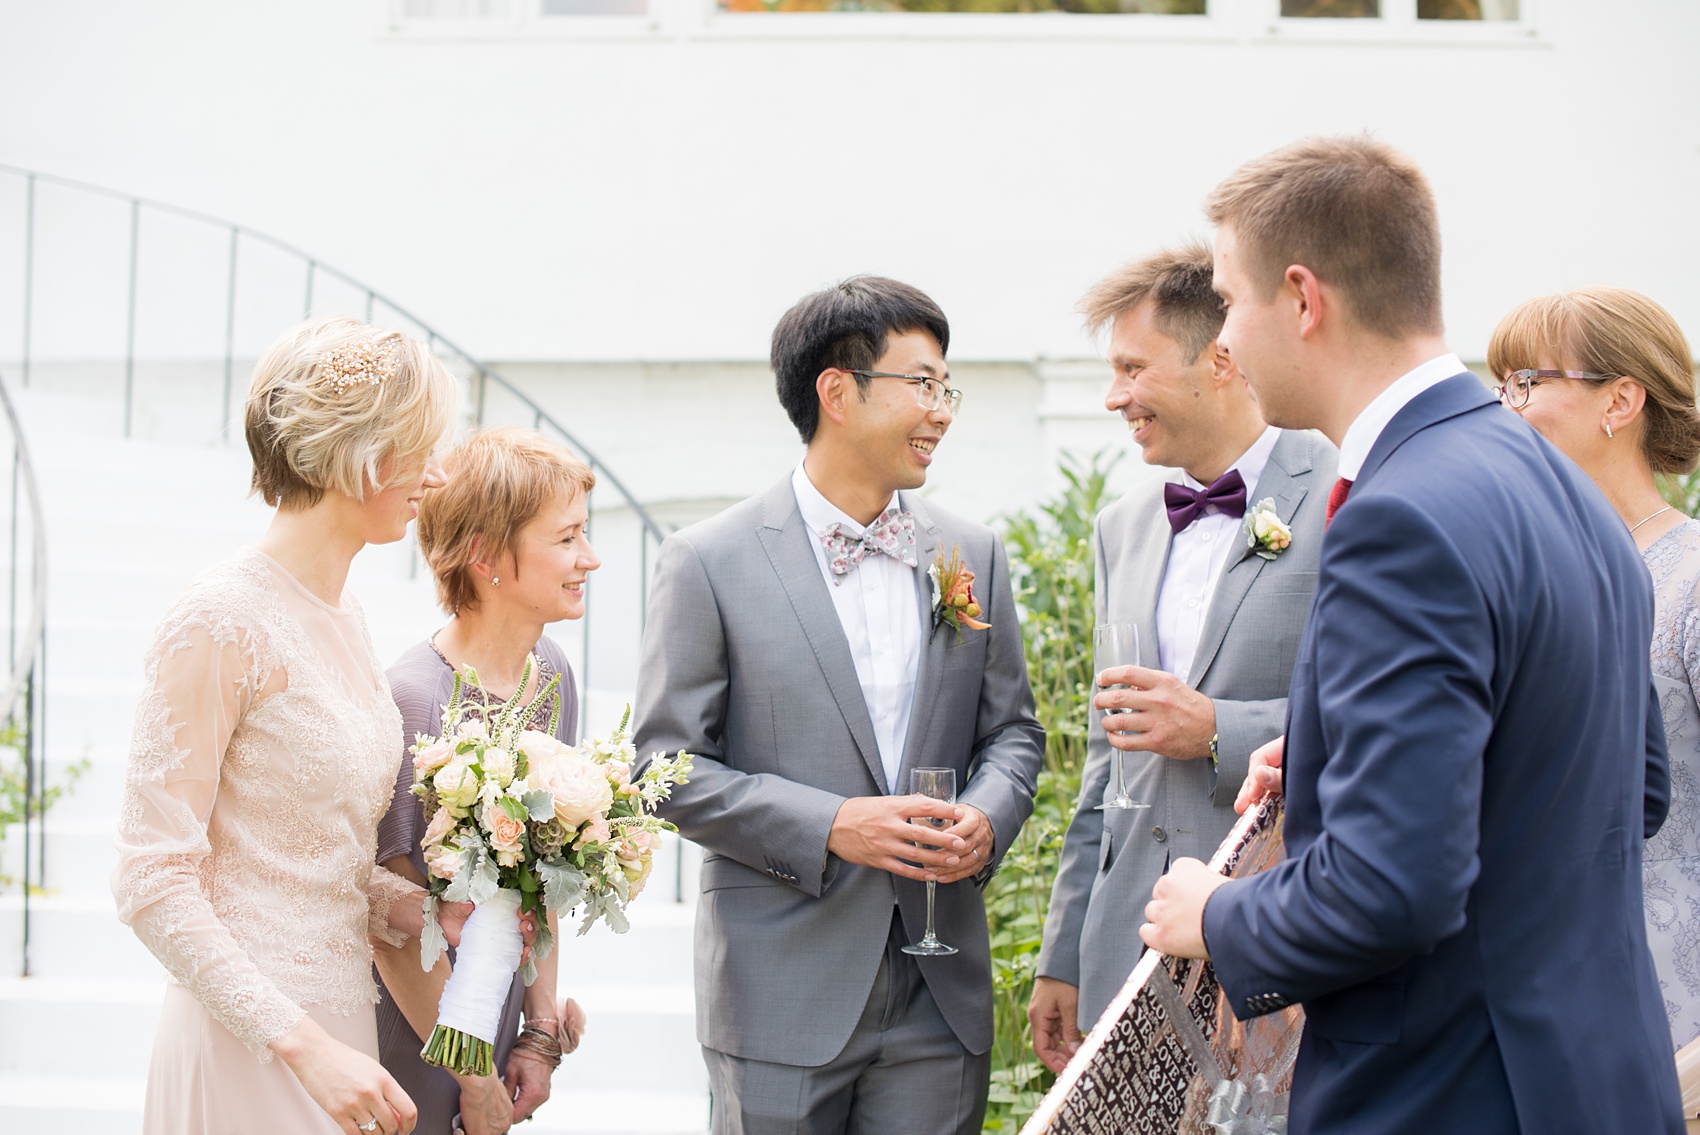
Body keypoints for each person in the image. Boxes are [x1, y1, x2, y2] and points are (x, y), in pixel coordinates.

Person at [1138, 136, 1683, 1134]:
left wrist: (1212, 914)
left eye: (1228, 300)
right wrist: (1326, 749)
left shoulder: (1400, 515)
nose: (1222, 339)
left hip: (1453, 1094)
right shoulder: (1560, 488)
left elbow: (1391, 888)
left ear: (1301, 299)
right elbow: (1621, 785)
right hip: (1594, 1081)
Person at [633, 276, 1044, 1135]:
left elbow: (1012, 732)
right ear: (838, 393)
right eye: (922, 383)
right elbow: (662, 771)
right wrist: (832, 824)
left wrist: (985, 818)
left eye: (947, 387)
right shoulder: (708, 560)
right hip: (781, 991)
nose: (943, 409)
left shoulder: (971, 552)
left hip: (941, 990)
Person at [113, 316, 460, 1135]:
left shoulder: (347, 616)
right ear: (364, 455)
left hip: (341, 1029)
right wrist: (303, 1046)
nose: (437, 474)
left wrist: (412, 909)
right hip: (253, 1042)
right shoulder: (218, 620)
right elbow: (150, 878)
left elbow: (312, 857)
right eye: (421, 449)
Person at [1028, 243, 1335, 1072]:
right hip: (1126, 947)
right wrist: (1064, 949)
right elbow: (1106, 753)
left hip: (1276, 926)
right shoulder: (1120, 526)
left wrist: (1216, 728)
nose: (1114, 395)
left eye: (1134, 367)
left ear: (1222, 360)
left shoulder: (1346, 488)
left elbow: (1377, 717)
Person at [1487, 287, 1700, 1050]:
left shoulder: (1693, 578)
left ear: (1621, 400)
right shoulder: (1531, 576)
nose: (1503, 406)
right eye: (1499, 383)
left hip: (1675, 1015)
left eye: (1527, 382)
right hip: (1539, 1008)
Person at [371, 427, 598, 1134]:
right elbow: (395, 932)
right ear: (486, 556)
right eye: (565, 539)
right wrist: (472, 1080)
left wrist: (538, 1029)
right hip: (418, 1034)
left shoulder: (552, 673)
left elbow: (546, 871)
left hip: (500, 1010)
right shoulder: (413, 699)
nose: (588, 558)